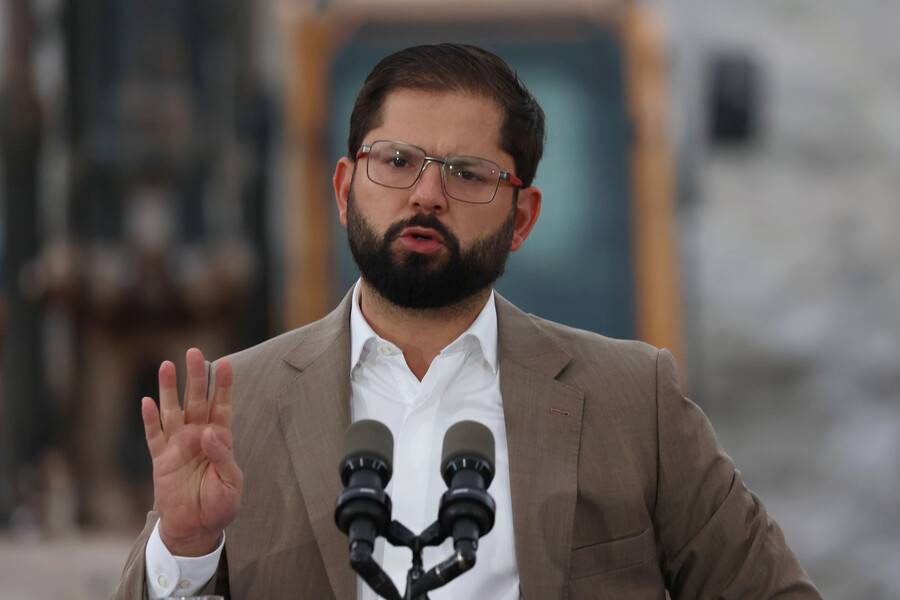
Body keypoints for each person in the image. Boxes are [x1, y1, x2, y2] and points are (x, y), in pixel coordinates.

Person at [114, 44, 820, 599]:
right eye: (397, 161)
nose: (427, 194)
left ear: (523, 217)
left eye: (468, 173)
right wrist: (186, 549)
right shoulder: (238, 407)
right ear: (344, 189)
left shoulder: (634, 402)